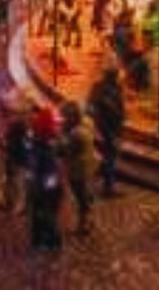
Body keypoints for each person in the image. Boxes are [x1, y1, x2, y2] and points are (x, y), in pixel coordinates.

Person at [25, 105, 66, 250]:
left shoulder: (35, 143)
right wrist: (49, 188)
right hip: (45, 188)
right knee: (46, 214)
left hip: (39, 186)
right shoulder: (47, 146)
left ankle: (39, 240)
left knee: (39, 214)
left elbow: (33, 166)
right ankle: (52, 241)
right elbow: (51, 173)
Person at [59, 101, 98, 237]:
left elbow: (64, 150)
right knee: (86, 194)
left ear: (72, 117)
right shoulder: (88, 122)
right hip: (90, 165)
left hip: (78, 170)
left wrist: (61, 134)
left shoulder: (76, 134)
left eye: (65, 116)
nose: (63, 119)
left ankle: (84, 224)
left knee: (81, 197)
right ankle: (89, 218)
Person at [87, 65, 125, 197]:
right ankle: (108, 187)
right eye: (118, 75)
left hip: (105, 127)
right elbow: (115, 110)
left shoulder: (99, 86)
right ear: (113, 76)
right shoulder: (111, 90)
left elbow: (90, 105)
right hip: (109, 128)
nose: (121, 77)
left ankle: (103, 177)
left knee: (108, 155)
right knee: (111, 157)